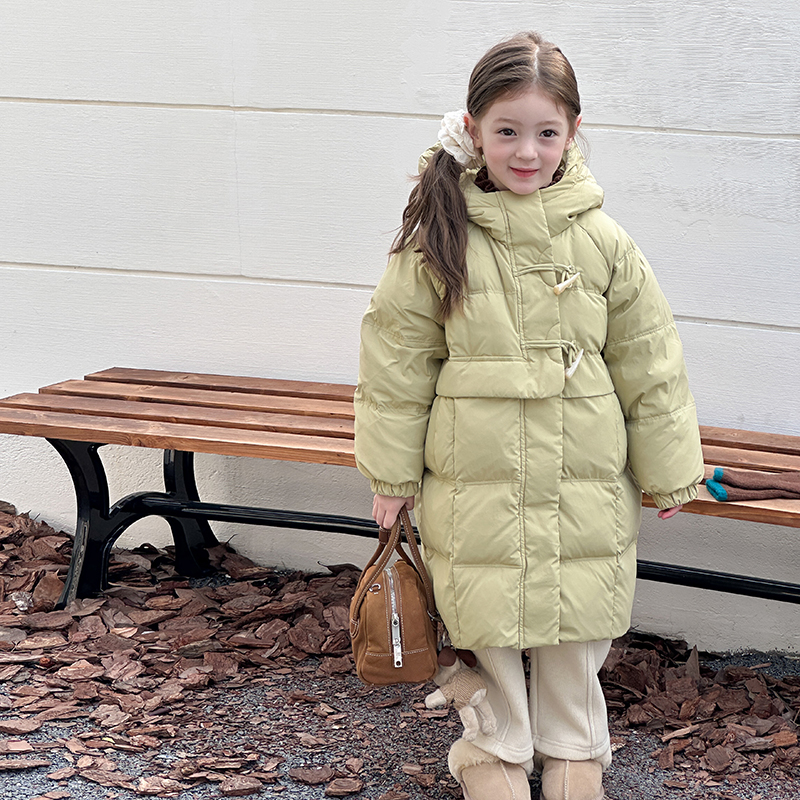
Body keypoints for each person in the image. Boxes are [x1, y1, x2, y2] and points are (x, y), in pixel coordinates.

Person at [354, 31, 704, 800]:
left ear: (574, 134)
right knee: (487, 610)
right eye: (507, 131)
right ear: (473, 129)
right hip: (473, 469)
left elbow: (650, 360)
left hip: (583, 463)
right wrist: (392, 472)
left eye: (546, 132)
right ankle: (497, 747)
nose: (526, 151)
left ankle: (577, 751)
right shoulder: (438, 241)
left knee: (579, 611)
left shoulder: (603, 241)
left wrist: (670, 468)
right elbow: (396, 364)